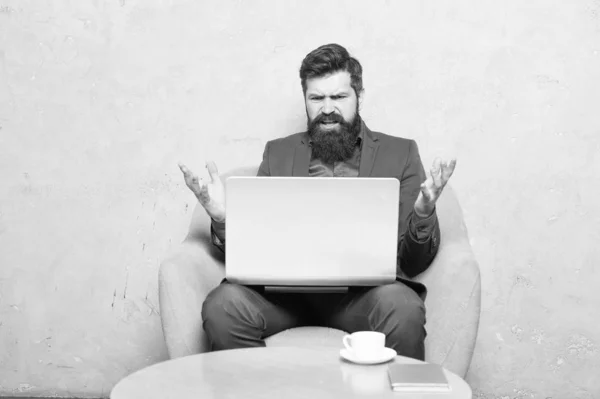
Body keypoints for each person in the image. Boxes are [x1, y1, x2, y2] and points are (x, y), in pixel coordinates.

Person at [178, 43, 456, 360]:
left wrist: (423, 212)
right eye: (316, 98)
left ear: (359, 97)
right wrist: (222, 218)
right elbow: (254, 250)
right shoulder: (277, 152)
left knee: (403, 307)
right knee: (222, 306)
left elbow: (413, 261)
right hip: (283, 299)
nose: (327, 108)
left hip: (364, 298)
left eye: (338, 97)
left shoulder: (401, 153)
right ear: (306, 100)